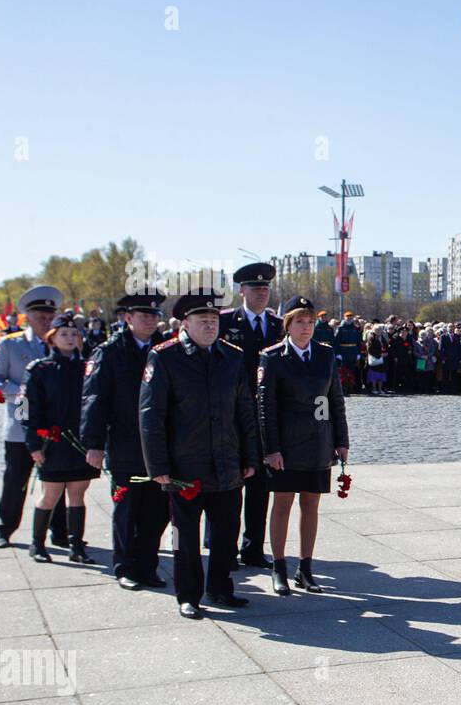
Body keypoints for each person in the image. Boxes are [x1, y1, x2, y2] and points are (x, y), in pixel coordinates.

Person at [139, 288, 261, 620]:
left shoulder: (231, 357)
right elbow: (152, 416)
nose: (210, 326)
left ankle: (221, 588)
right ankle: (188, 594)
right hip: (184, 466)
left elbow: (245, 411)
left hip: (227, 463)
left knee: (226, 531)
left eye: (213, 320)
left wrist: (251, 457)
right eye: (202, 320)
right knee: (185, 536)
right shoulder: (165, 357)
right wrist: (158, 465)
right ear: (185, 323)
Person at [258, 296, 350, 595]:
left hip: (318, 442)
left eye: (310, 322)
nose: (306, 327)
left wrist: (341, 440)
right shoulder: (272, 357)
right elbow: (265, 408)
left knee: (311, 505)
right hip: (285, 445)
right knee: (282, 504)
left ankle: (306, 568)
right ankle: (279, 567)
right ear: (288, 324)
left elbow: (335, 399)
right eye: (300, 321)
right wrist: (271, 448)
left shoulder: (324, 354)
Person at [81, 289, 171, 590]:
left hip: (160, 445)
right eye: (144, 315)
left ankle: (147, 565)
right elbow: (95, 399)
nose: (150, 320)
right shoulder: (109, 352)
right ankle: (125, 566)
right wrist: (93, 443)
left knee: (157, 511)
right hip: (125, 443)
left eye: (154, 315)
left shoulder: (165, 349)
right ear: (128, 317)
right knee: (127, 509)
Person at [0, 286, 67, 549]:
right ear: (27, 316)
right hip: (22, 419)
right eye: (40, 315)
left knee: (59, 480)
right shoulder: (11, 343)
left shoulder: (62, 342)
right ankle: (6, 527)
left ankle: (60, 532)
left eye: (49, 314)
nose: (46, 319)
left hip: (56, 425)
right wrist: (16, 392)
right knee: (16, 480)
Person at [19, 312, 101, 563]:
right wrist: (33, 444)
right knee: (50, 495)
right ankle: (38, 544)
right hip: (51, 444)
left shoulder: (87, 368)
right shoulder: (39, 369)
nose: (69, 337)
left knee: (78, 494)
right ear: (51, 339)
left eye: (73, 333)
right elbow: (23, 409)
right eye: (63, 334)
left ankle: (77, 546)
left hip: (79, 443)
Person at [217, 263, 281, 568]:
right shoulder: (224, 322)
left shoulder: (279, 324)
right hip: (231, 417)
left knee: (260, 488)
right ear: (241, 291)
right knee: (229, 488)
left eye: (266, 288)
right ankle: (224, 550)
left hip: (266, 418)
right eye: (256, 288)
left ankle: (253, 548)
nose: (262, 293)